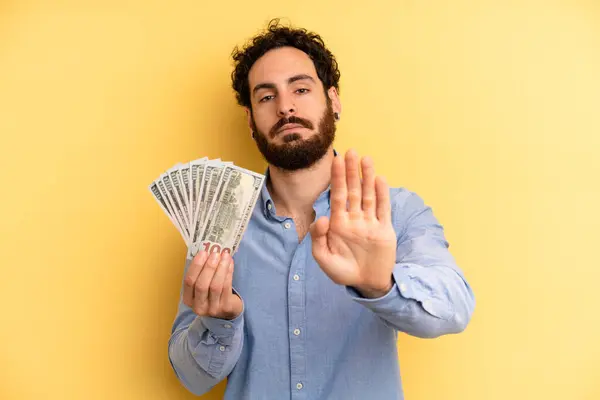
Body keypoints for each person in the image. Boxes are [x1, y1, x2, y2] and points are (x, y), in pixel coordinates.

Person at [168, 19, 475, 400]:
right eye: (266, 97)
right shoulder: (218, 228)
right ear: (250, 121)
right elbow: (191, 379)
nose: (286, 106)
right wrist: (221, 320)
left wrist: (380, 284)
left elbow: (456, 308)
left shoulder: (396, 211)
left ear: (334, 100)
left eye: (301, 88)